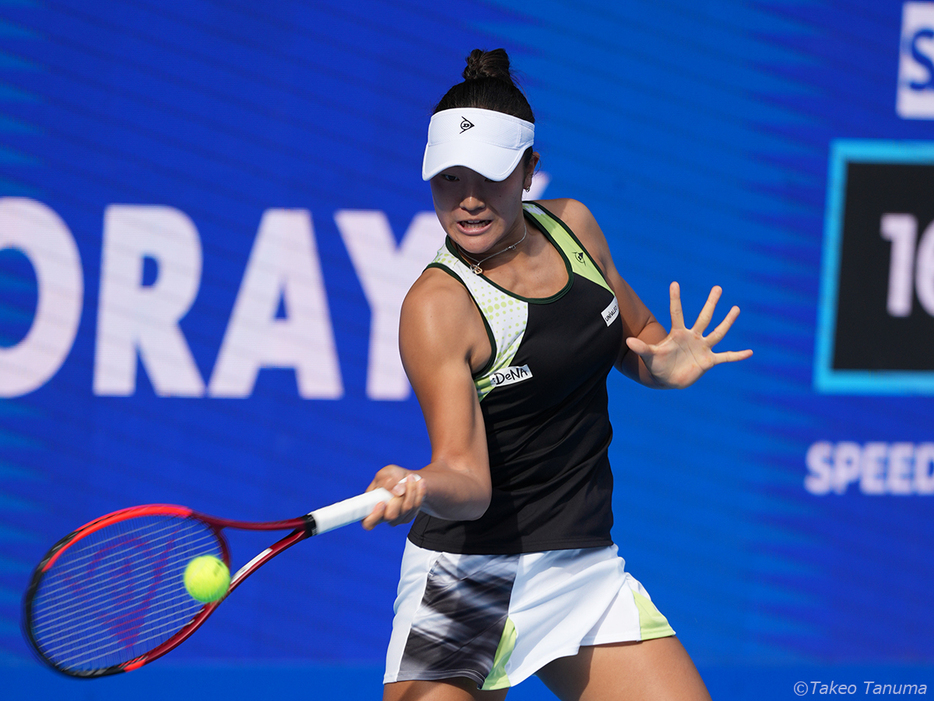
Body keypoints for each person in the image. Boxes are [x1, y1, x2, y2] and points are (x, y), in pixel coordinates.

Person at [361, 48, 752, 701]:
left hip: (580, 567)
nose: (468, 200)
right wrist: (421, 482)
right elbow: (467, 479)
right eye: (448, 179)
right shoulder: (437, 306)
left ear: (528, 171)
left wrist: (664, 365)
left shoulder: (575, 228)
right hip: (467, 578)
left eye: (488, 176)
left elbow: (637, 340)